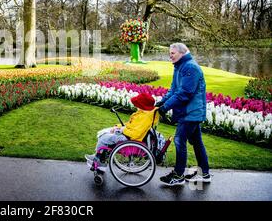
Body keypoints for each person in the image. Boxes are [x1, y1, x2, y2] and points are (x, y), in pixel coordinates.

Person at [156, 43, 211, 186]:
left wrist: (165, 107)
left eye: (173, 53)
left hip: (191, 113)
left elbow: (184, 94)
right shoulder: (180, 67)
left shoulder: (190, 67)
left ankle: (178, 175)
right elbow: (174, 90)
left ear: (182, 53)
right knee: (197, 142)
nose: (170, 55)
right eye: (170, 53)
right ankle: (204, 174)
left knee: (180, 141)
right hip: (188, 112)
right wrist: (162, 103)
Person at [85, 92, 159, 171]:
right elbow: (131, 125)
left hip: (130, 138)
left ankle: (99, 160)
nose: (136, 105)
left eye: (138, 104)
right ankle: (98, 156)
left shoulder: (145, 117)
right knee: (106, 132)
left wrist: (121, 130)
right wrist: (118, 127)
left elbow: (136, 134)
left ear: (142, 105)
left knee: (103, 137)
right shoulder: (144, 114)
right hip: (128, 134)